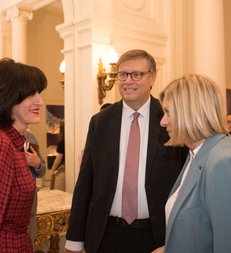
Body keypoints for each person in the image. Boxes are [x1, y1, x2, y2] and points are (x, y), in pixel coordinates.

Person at [64, 49, 188, 253]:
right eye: (123, 74)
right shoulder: (100, 122)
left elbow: (186, 185)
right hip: (106, 235)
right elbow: (85, 183)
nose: (128, 81)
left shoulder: (171, 120)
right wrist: (74, 241)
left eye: (137, 74)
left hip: (158, 237)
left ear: (153, 78)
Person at [0, 57, 47, 252]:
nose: (40, 101)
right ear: (9, 98)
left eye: (39, 93)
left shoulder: (15, 142)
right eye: (31, 94)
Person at [152, 74, 231, 253]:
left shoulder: (222, 161)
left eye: (168, 112)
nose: (163, 122)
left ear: (190, 111)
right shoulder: (195, 154)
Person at [24, 129, 46, 247]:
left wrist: (37, 163)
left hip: (30, 205)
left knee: (28, 246)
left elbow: (42, 172)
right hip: (6, 210)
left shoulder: (30, 137)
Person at [51, 121, 65, 190]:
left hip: (61, 168)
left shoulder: (61, 143)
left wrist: (53, 169)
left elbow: (58, 159)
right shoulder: (68, 141)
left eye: (59, 128)